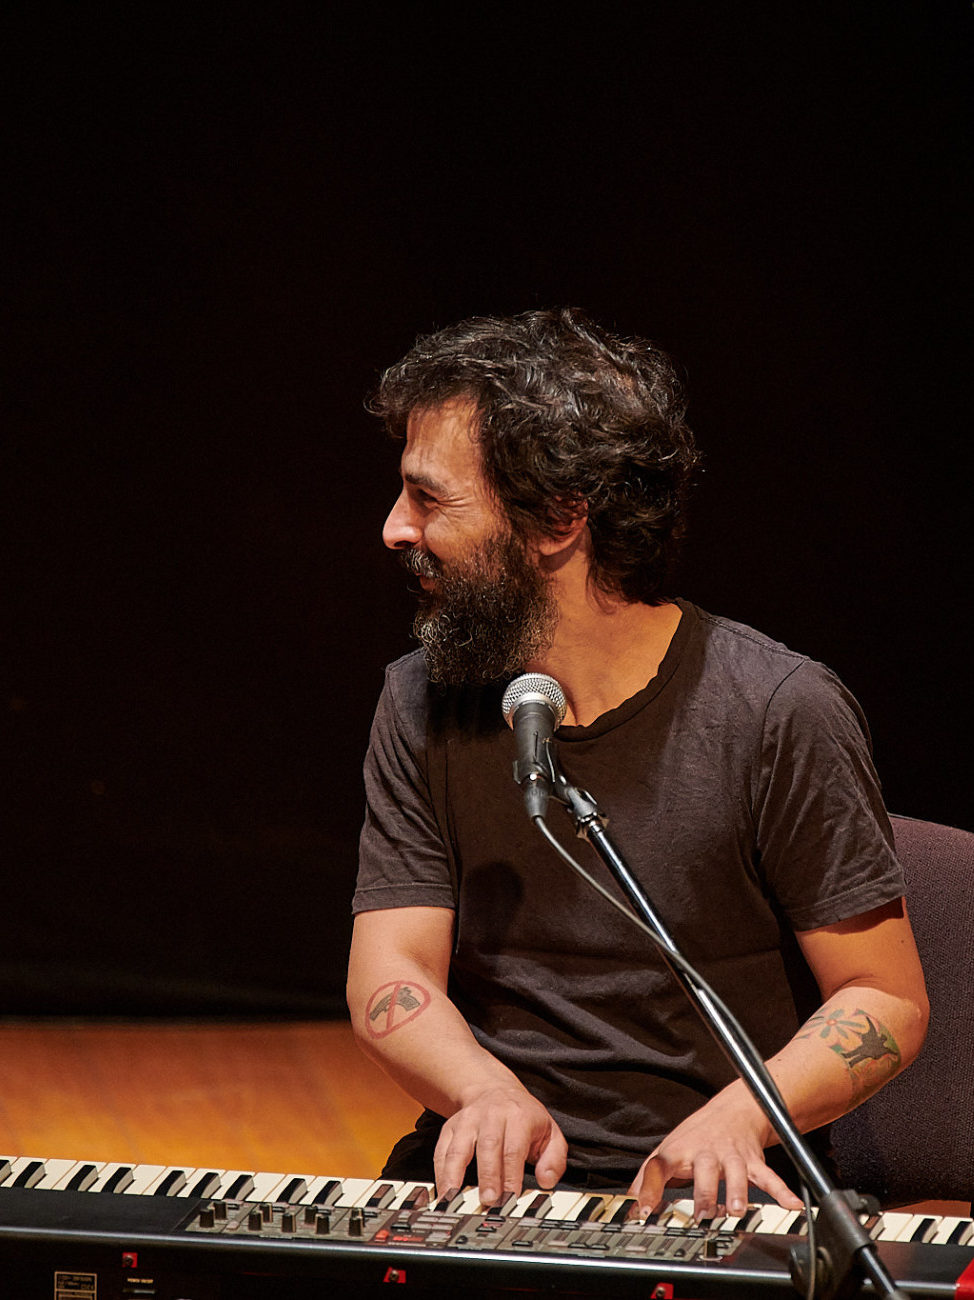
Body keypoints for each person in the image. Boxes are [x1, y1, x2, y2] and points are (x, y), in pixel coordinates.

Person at [346, 308, 928, 1221]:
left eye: (429, 498)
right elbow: (392, 971)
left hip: (719, 1190)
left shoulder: (776, 710)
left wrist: (739, 1118)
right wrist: (482, 1092)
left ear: (558, 519)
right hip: (490, 1187)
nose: (393, 527)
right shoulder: (420, 698)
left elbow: (886, 997)